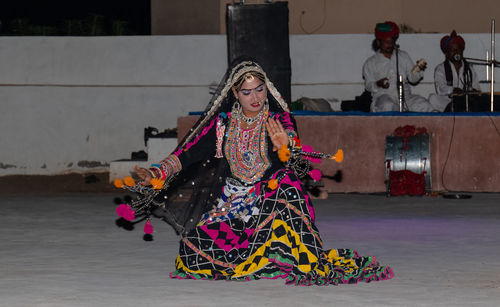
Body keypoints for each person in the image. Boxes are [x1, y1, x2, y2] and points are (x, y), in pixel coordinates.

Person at [126, 60, 393, 286]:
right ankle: (259, 257)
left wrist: (285, 150)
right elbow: (187, 154)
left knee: (285, 183)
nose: (255, 97)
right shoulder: (223, 124)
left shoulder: (279, 120)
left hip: (270, 204)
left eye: (260, 89)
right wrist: (156, 172)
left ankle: (285, 254)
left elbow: (294, 157)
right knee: (192, 251)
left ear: (267, 88)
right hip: (233, 203)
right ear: (234, 93)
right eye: (247, 92)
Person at [363, 21, 436, 112]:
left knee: (423, 104)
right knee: (388, 106)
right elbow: (368, 85)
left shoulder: (403, 56)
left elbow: (412, 79)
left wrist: (418, 69)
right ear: (378, 42)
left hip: (405, 97)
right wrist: (378, 84)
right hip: (384, 97)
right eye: (387, 42)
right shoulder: (370, 62)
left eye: (392, 42)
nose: (390, 45)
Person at [429, 30, 481, 112]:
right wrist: (453, 90)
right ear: (446, 53)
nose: (456, 52)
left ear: (462, 51)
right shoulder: (440, 68)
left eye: (458, 49)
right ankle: (455, 109)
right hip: (448, 101)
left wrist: (474, 91)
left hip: (466, 101)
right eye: (452, 50)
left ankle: (460, 109)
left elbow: (477, 88)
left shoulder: (469, 68)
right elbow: (440, 89)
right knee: (433, 98)